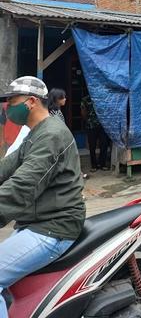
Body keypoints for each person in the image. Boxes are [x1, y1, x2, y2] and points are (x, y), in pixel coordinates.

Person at [0, 76, 85, 317]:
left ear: (31, 102)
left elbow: (23, 185)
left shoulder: (51, 135)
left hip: (54, 227)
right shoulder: (36, 133)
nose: (7, 107)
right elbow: (7, 167)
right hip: (37, 222)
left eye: (11, 100)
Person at [81, 94, 109, 172]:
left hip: (103, 125)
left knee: (104, 144)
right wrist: (88, 121)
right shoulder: (85, 99)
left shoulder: (102, 97)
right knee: (92, 146)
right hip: (91, 126)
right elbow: (83, 112)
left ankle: (102, 164)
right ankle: (94, 165)